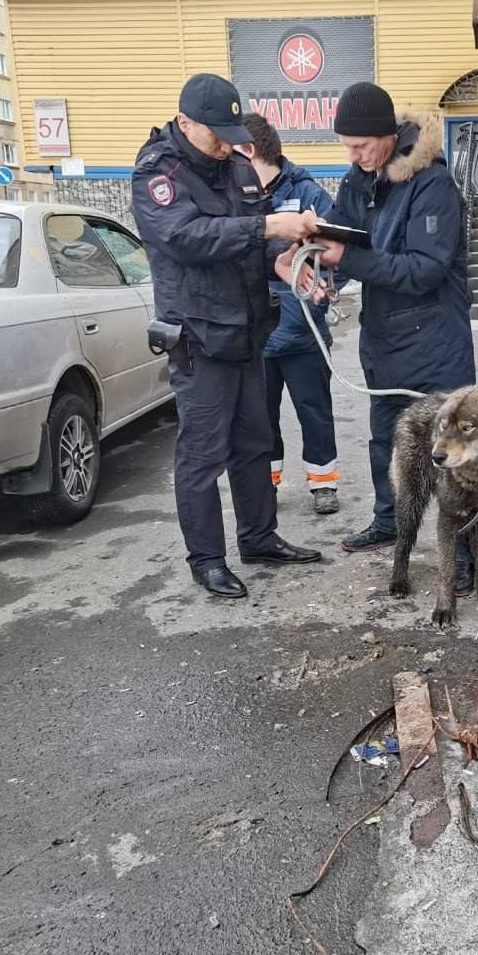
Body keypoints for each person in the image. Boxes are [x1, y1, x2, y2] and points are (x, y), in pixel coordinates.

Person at [132, 73, 323, 599]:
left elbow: (252, 243)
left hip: (245, 330)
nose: (225, 142)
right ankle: (208, 560)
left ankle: (259, 538)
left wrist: (282, 263)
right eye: (213, 131)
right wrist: (267, 230)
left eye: (229, 131)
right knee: (202, 453)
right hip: (197, 336)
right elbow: (185, 238)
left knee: (254, 443)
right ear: (184, 121)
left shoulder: (237, 167)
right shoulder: (157, 174)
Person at [315, 82, 477, 590]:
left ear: (388, 135)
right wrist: (321, 270)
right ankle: (390, 522)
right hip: (383, 340)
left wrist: (349, 260)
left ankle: (465, 553)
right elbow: (339, 236)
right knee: (386, 440)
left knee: (450, 454)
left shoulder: (433, 184)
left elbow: (425, 269)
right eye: (346, 146)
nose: (353, 155)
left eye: (361, 145)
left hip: (436, 341)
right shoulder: (358, 181)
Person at [239, 113, 340, 516]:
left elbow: (337, 252)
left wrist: (323, 291)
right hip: (256, 335)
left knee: (314, 411)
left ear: (250, 150)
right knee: (260, 418)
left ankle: (323, 482)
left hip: (302, 333)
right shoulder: (237, 195)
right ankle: (267, 482)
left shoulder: (308, 194)